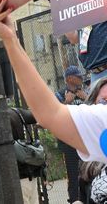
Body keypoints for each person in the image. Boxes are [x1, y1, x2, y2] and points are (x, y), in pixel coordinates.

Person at [0, 0, 107, 164]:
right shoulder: (82, 13)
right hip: (95, 72)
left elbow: (50, 113)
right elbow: (49, 113)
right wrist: (10, 39)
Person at [55, 66, 87, 203]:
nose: (80, 78)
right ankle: (74, 200)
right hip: (69, 142)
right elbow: (54, 116)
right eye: (77, 76)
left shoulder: (85, 93)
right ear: (69, 79)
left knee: (88, 172)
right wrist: (66, 102)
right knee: (73, 175)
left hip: (86, 139)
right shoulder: (60, 95)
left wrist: (87, 99)